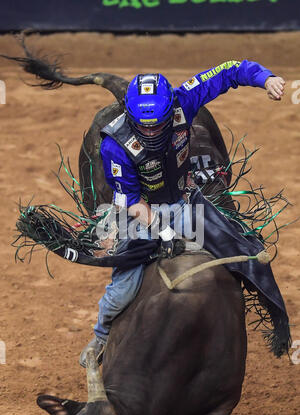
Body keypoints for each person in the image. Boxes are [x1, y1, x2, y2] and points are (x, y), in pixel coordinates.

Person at [79, 60, 285, 368]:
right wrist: (164, 233)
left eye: (158, 125)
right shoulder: (114, 145)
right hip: (139, 216)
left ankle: (278, 318)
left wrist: (264, 78)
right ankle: (101, 336)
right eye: (143, 126)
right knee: (123, 287)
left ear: (170, 110)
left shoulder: (182, 100)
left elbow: (228, 71)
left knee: (248, 250)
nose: (151, 132)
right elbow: (130, 202)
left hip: (184, 201)